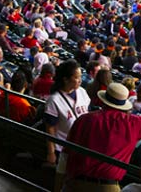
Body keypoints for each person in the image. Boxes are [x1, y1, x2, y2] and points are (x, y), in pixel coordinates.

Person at [45, 59, 90, 191]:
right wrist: (51, 152)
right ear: (65, 79)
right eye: (76, 77)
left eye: (80, 77)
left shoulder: (82, 92)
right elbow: (50, 128)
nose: (80, 80)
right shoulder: (54, 100)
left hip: (81, 145)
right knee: (64, 181)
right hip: (63, 148)